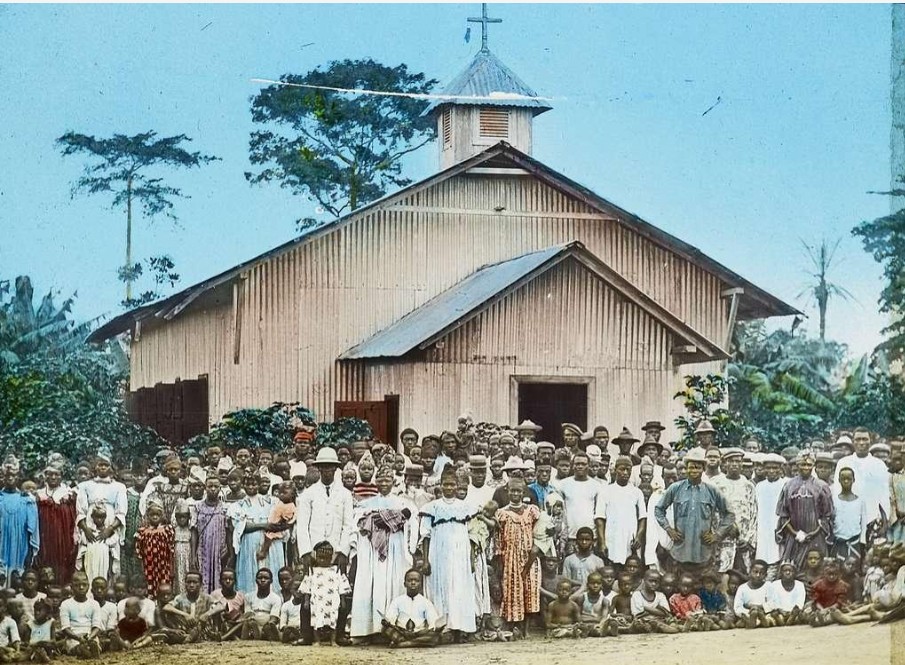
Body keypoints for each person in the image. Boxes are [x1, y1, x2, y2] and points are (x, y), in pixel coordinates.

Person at [349, 468, 413, 641]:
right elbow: (360, 524)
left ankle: (392, 629)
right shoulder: (366, 503)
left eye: (387, 480)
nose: (384, 484)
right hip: (371, 549)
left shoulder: (401, 502)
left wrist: (385, 519)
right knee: (371, 583)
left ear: (393, 482)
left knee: (392, 582)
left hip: (394, 546)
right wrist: (386, 519)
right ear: (376, 482)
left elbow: (408, 520)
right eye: (381, 480)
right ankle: (370, 629)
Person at [419, 466, 478, 640]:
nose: (449, 488)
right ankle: (443, 628)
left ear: (458, 485)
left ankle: (460, 627)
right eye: (446, 484)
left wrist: (471, 559)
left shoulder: (466, 507)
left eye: (452, 484)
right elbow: (426, 535)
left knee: (459, 587)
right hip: (439, 550)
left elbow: (472, 534)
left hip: (460, 551)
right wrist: (425, 560)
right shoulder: (432, 507)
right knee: (441, 585)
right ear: (441, 486)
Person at [654, 448, 733, 577]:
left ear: (703, 469)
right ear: (686, 468)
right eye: (691, 467)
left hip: (703, 553)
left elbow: (729, 514)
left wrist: (717, 535)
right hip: (680, 553)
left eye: (697, 467)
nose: (694, 471)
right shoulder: (676, 488)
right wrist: (669, 529)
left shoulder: (712, 490)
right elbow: (658, 509)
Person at [295, 447, 354, 577]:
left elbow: (348, 525)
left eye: (330, 467)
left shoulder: (345, 494)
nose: (327, 471)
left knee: (336, 589)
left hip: (336, 552)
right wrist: (306, 552)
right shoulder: (309, 494)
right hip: (314, 553)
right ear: (319, 468)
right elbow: (302, 525)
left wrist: (343, 552)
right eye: (324, 467)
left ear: (335, 468)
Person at [495, 479, 542, 638]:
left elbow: (541, 531)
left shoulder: (532, 511)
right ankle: (516, 626)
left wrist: (536, 549)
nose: (515, 494)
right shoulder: (502, 513)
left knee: (531, 589)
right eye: (512, 491)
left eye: (519, 491)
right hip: (510, 557)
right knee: (514, 591)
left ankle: (527, 628)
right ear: (507, 491)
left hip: (530, 555)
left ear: (523, 493)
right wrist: (500, 557)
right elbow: (498, 537)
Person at [776, 452, 834, 569]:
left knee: (817, 568)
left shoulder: (821, 486)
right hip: (794, 536)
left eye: (809, 465)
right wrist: (795, 534)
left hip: (816, 535)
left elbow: (826, 515)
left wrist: (813, 533)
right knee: (792, 568)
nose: (806, 468)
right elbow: (783, 514)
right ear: (797, 465)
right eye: (803, 464)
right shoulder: (788, 486)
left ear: (813, 466)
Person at [230, 474, 286, 596]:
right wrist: (263, 525)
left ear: (259, 484)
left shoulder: (272, 502)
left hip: (271, 545)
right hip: (249, 544)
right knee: (250, 574)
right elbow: (242, 526)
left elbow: (277, 524)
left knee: (271, 570)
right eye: (248, 484)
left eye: (254, 483)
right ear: (243, 485)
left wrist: (265, 547)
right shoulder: (238, 505)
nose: (251, 486)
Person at [833, 427, 890, 537]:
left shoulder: (879, 465)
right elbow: (837, 492)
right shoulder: (844, 463)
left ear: (870, 441)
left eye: (865, 439)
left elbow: (885, 496)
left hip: (873, 518)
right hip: (850, 518)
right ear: (853, 442)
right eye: (858, 439)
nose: (861, 443)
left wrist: (885, 520)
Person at [708, 448, 757, 575]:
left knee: (743, 573)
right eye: (731, 461)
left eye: (738, 461)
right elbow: (712, 511)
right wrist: (726, 527)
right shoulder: (716, 484)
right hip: (723, 538)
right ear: (725, 464)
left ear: (742, 464)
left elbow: (753, 514)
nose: (734, 464)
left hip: (743, 540)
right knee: (721, 573)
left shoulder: (748, 486)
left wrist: (748, 539)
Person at [297, 541, 352, 646]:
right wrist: (307, 601)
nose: (323, 560)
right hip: (317, 602)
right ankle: (316, 640)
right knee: (316, 621)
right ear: (316, 556)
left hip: (332, 602)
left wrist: (343, 600)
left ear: (331, 557)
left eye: (326, 558)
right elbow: (307, 586)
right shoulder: (312, 571)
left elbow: (342, 586)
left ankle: (333, 640)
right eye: (320, 557)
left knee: (333, 620)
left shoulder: (336, 570)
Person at [595, 456, 646, 566]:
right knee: (612, 568)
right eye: (622, 469)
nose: (625, 473)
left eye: (628, 470)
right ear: (615, 469)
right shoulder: (606, 491)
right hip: (612, 537)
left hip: (630, 538)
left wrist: (638, 536)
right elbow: (600, 519)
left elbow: (642, 517)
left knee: (629, 568)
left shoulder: (637, 492)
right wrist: (602, 542)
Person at [35, 464, 77, 585]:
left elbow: (73, 519)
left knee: (62, 567)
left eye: (56, 474)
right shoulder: (39, 494)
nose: (53, 477)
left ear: (61, 476)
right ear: (45, 476)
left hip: (63, 538)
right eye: (50, 474)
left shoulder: (68, 494)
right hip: (46, 537)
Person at [380, 569, 443, 648]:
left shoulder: (426, 602)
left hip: (419, 633)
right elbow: (390, 618)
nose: (413, 583)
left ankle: (404, 643)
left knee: (436, 636)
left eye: (416, 581)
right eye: (410, 580)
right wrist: (387, 622)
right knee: (386, 629)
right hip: (402, 632)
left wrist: (430, 630)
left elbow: (433, 622)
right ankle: (413, 643)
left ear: (420, 584)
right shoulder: (397, 601)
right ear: (405, 584)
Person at [0, 464, 39, 587]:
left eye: (13, 475)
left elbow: (32, 529)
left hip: (20, 546)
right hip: (1, 543)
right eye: (7, 475)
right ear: (2, 477)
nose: (10, 478)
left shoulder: (27, 500)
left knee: (17, 579)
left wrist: (29, 554)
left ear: (18, 477)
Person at [190, 476, 231, 594]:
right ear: (205, 488)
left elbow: (228, 530)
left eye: (216, 486)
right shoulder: (197, 507)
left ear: (220, 488)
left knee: (219, 576)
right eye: (210, 486)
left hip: (219, 548)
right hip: (203, 548)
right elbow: (194, 531)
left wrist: (229, 551)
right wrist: (193, 555)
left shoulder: (225, 507)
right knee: (202, 575)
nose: (213, 489)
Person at [557, 453, 601, 552]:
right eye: (577, 464)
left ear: (588, 466)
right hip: (570, 537)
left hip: (591, 537)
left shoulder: (597, 486)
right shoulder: (563, 484)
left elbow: (599, 513)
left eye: (583, 464)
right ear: (572, 465)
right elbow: (560, 513)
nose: (580, 466)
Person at [755, 453, 787, 578]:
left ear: (780, 469)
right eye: (768, 468)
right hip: (763, 527)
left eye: (775, 468)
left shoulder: (786, 484)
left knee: (778, 555)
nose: (772, 471)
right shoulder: (759, 486)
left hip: (779, 526)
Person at [58, 572, 102, 658]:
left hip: (90, 636)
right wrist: (78, 637)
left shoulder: (94, 604)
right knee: (75, 647)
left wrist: (90, 637)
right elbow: (65, 628)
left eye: (84, 585)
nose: (81, 587)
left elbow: (97, 626)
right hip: (73, 637)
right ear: (71, 587)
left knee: (93, 643)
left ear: (88, 586)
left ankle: (89, 650)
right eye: (77, 585)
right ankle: (85, 651)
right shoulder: (66, 604)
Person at [135, 502, 174, 598]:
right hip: (148, 565)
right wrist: (141, 565)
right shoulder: (142, 531)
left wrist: (171, 566)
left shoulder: (167, 530)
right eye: (152, 515)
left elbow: (171, 548)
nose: (155, 517)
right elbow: (138, 550)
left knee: (163, 583)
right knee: (149, 583)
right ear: (148, 516)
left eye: (158, 515)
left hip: (164, 565)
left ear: (162, 516)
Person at [832, 466, 868, 564]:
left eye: (849, 479)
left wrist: (862, 540)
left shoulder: (860, 501)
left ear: (853, 480)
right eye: (843, 479)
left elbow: (863, 522)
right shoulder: (834, 500)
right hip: (839, 542)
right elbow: (831, 521)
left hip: (854, 541)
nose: (846, 481)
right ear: (839, 480)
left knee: (853, 569)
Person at [76, 504, 119, 582]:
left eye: (102, 517)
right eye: (97, 517)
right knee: (90, 573)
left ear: (105, 517)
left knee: (103, 573)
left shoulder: (108, 534)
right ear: (92, 517)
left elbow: (113, 545)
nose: (99, 520)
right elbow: (84, 545)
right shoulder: (89, 533)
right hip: (90, 558)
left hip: (103, 558)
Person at [257, 482, 295, 563]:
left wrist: (279, 525)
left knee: (269, 537)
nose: (281, 495)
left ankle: (263, 551)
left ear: (292, 495)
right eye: (280, 492)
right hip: (272, 523)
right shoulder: (280, 502)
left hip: (276, 527)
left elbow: (287, 519)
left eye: (284, 493)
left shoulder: (290, 506)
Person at [561, 527, 605, 593]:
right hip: (574, 593)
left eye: (587, 539)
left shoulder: (598, 561)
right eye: (581, 539)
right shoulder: (569, 560)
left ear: (592, 542)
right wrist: (579, 585)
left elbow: (600, 582)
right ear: (576, 541)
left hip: (592, 594)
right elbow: (565, 580)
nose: (584, 542)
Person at [733, 560, 774, 628]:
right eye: (755, 572)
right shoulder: (742, 588)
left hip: (763, 613)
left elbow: (772, 604)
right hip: (748, 613)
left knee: (770, 618)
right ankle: (752, 620)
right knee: (741, 621)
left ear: (765, 575)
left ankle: (762, 621)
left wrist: (757, 607)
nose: (758, 575)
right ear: (750, 572)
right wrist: (750, 611)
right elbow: (737, 607)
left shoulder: (768, 586)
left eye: (761, 573)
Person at [575, 571, 616, 637]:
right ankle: (599, 632)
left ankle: (604, 631)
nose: (595, 586)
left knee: (604, 626)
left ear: (602, 585)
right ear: (587, 584)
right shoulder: (582, 598)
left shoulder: (604, 601)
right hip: (584, 623)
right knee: (578, 629)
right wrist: (581, 623)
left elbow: (604, 617)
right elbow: (578, 615)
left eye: (598, 583)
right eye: (593, 583)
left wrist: (600, 625)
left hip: (598, 623)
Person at [766, 561, 806, 625]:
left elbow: (800, 601)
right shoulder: (774, 585)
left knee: (801, 617)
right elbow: (770, 601)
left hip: (794, 613)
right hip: (778, 612)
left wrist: (793, 611)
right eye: (785, 571)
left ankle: (790, 619)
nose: (788, 572)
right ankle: (779, 620)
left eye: (790, 571)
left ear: (794, 573)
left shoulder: (800, 585)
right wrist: (779, 610)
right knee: (770, 619)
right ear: (781, 573)